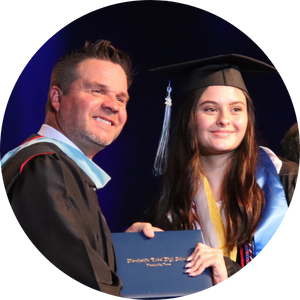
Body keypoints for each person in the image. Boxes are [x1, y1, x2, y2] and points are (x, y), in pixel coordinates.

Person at [0, 40, 159, 299]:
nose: (114, 105)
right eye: (97, 91)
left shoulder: (60, 168)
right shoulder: (45, 167)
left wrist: (116, 249)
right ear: (57, 98)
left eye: (121, 98)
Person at [144, 54, 299, 288]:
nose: (224, 119)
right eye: (210, 109)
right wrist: (137, 243)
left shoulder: (287, 181)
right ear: (190, 119)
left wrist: (227, 270)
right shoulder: (169, 204)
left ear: (248, 117)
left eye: (236, 109)